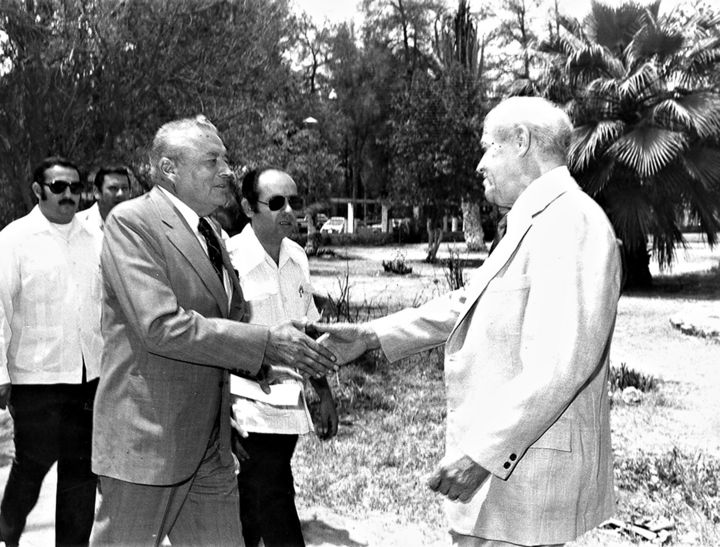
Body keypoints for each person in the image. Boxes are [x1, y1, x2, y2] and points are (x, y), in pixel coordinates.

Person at [315, 97, 623, 547]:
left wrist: (481, 454)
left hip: (521, 478)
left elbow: (559, 364)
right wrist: (371, 335)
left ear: (522, 141)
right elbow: (471, 301)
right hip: (510, 474)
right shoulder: (536, 220)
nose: (480, 164)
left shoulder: (569, 222)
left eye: (488, 148)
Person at [90, 116, 337, 546]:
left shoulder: (211, 231)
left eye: (225, 160)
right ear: (169, 169)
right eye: (212, 161)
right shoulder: (133, 223)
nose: (227, 171)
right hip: (149, 442)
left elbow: (228, 319)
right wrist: (265, 344)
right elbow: (161, 326)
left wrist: (269, 357)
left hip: (211, 447)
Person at [226, 167, 338, 547]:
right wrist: (222, 417)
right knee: (273, 504)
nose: (289, 211)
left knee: (252, 512)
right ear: (248, 207)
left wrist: (324, 393)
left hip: (288, 410)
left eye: (294, 201)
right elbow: (214, 339)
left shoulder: (297, 256)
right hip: (245, 411)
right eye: (276, 202)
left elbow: (307, 334)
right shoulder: (229, 259)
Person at [0, 156, 102, 546]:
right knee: (31, 468)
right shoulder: (14, 240)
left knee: (81, 477)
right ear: (37, 190)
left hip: (88, 380)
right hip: (36, 381)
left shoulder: (95, 239)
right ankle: (7, 531)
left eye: (75, 187)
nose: (68, 195)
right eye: (58, 187)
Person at [79, 164, 132, 236]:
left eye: (124, 188)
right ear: (96, 191)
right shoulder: (78, 224)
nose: (120, 194)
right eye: (113, 188)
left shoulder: (137, 225)